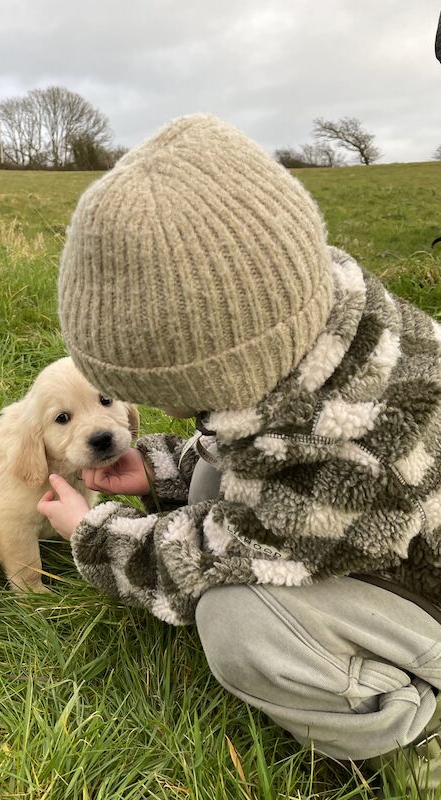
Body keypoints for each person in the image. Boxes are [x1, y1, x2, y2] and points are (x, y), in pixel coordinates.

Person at [38, 114, 441, 790]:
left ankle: (415, 736)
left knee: (240, 622)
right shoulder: (334, 325)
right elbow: (258, 442)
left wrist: (93, 537)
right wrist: (166, 467)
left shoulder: (357, 446)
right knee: (213, 482)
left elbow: (214, 553)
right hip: (387, 531)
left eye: (177, 396)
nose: (168, 412)